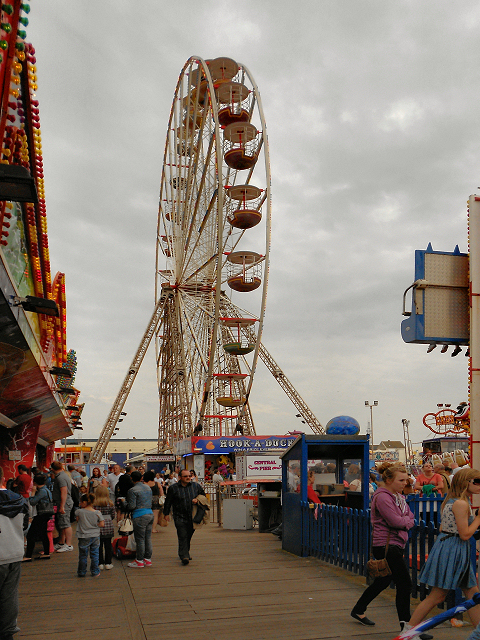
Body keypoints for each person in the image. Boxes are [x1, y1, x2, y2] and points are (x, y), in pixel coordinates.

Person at [350, 463, 432, 639]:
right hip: (386, 546)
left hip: (394, 544)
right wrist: (407, 522)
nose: (405, 483)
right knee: (405, 584)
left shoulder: (397, 496)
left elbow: (409, 515)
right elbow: (397, 521)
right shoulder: (382, 497)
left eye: (406, 479)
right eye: (401, 480)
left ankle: (358, 609)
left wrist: (406, 520)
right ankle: (407, 628)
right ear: (388, 480)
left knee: (383, 580)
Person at [408, 468, 480, 630]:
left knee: (473, 594)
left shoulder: (451, 500)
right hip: (454, 549)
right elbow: (465, 535)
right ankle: (409, 630)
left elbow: (443, 528)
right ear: (465, 482)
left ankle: (479, 631)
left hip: (449, 547)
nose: (479, 485)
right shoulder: (461, 503)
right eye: (476, 482)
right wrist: (478, 519)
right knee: (437, 596)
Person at [0, 465, 28, 640]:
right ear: (3, 478)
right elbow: (25, 526)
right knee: (10, 595)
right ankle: (8, 631)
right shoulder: (18, 499)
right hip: (14, 552)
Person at [163, 468, 206, 565]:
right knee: (182, 535)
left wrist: (197, 499)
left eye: (189, 476)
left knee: (188, 535)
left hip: (192, 516)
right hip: (179, 516)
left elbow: (203, 497)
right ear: (179, 477)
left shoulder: (196, 486)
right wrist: (166, 514)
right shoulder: (173, 488)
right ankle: (184, 556)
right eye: (185, 476)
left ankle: (184, 552)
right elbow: (168, 502)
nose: (188, 478)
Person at [126, 470, 154, 568]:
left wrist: (124, 503)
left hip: (139, 515)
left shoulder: (132, 490)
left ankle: (139, 560)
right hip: (150, 513)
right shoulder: (148, 488)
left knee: (140, 539)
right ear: (141, 478)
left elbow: (132, 506)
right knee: (148, 537)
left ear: (131, 478)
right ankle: (148, 559)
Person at [24, 473, 53, 561]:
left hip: (42, 514)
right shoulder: (47, 490)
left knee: (30, 535)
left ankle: (28, 555)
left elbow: (33, 502)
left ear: (35, 483)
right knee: (43, 534)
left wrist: (32, 493)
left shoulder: (42, 491)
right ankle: (46, 553)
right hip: (47, 514)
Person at [75, 493, 104, 577]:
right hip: (95, 535)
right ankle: (95, 571)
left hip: (83, 535)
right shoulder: (97, 512)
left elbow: (77, 520)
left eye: (81, 502)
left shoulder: (79, 512)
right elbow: (102, 524)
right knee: (95, 554)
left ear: (84, 502)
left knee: (83, 555)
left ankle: (82, 571)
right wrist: (95, 525)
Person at [50, 460, 74, 552]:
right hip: (64, 502)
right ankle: (61, 542)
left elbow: (64, 492)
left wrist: (62, 506)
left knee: (66, 523)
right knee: (62, 523)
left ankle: (68, 544)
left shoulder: (60, 478)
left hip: (64, 503)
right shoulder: (63, 475)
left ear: (52, 469)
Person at [93, 485, 115, 570]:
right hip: (108, 524)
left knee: (98, 545)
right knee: (108, 545)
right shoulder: (110, 503)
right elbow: (113, 515)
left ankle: (100, 563)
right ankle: (108, 563)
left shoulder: (94, 503)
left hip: (97, 525)